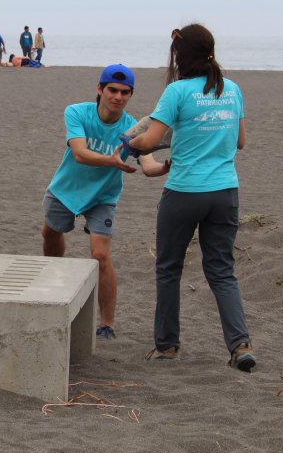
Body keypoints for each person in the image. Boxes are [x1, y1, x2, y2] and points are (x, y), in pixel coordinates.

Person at [128, 24, 254, 371]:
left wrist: (130, 142)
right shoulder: (232, 89)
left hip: (184, 192)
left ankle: (167, 346)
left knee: (169, 268)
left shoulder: (177, 92)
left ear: (179, 56)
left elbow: (149, 139)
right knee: (222, 271)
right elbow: (240, 141)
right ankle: (240, 345)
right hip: (225, 192)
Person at [42, 64, 169, 340]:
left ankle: (107, 324)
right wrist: (111, 161)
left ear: (131, 95)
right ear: (100, 89)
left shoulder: (134, 129)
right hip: (65, 190)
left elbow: (148, 166)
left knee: (100, 256)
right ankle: (52, 283)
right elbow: (79, 153)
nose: (118, 97)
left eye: (125, 92)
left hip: (103, 197)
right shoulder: (77, 112)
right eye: (112, 90)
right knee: (51, 233)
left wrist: (166, 166)